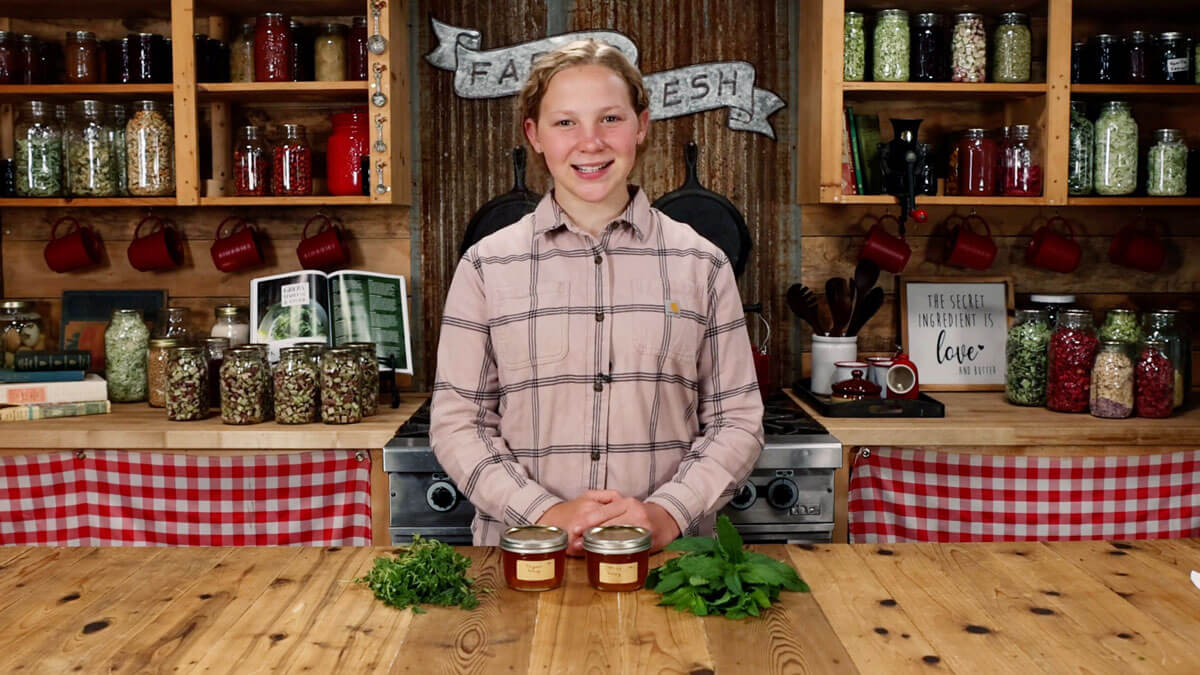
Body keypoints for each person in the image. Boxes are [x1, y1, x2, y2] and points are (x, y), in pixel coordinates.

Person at [430, 39, 763, 555]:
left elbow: (736, 420)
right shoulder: (485, 267)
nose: (590, 143)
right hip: (527, 558)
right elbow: (458, 422)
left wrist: (667, 513)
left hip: (670, 566)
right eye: (565, 123)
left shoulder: (703, 264)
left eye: (610, 118)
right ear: (533, 135)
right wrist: (542, 513)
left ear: (641, 126)